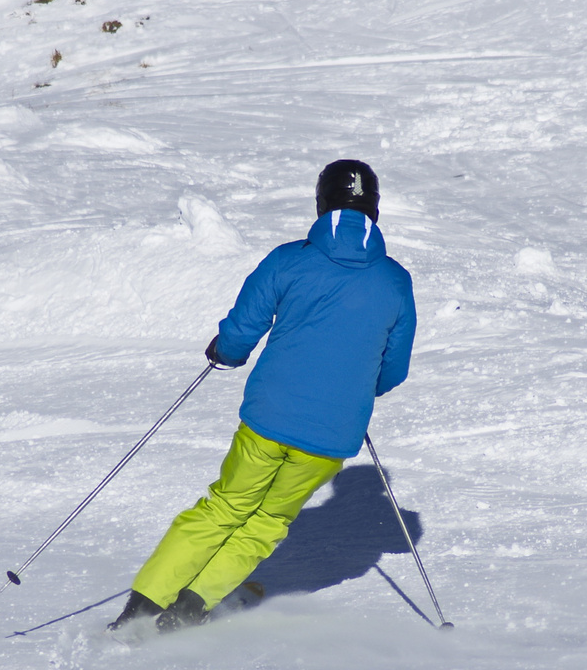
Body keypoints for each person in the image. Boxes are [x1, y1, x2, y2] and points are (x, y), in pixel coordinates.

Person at [108, 159, 416, 633]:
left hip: (268, 419)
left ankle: (144, 605)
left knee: (225, 507)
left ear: (322, 204)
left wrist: (226, 351)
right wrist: (354, 386)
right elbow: (392, 368)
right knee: (267, 523)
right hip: (331, 435)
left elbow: (242, 330)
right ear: (374, 210)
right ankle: (191, 608)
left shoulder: (290, 260)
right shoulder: (395, 281)